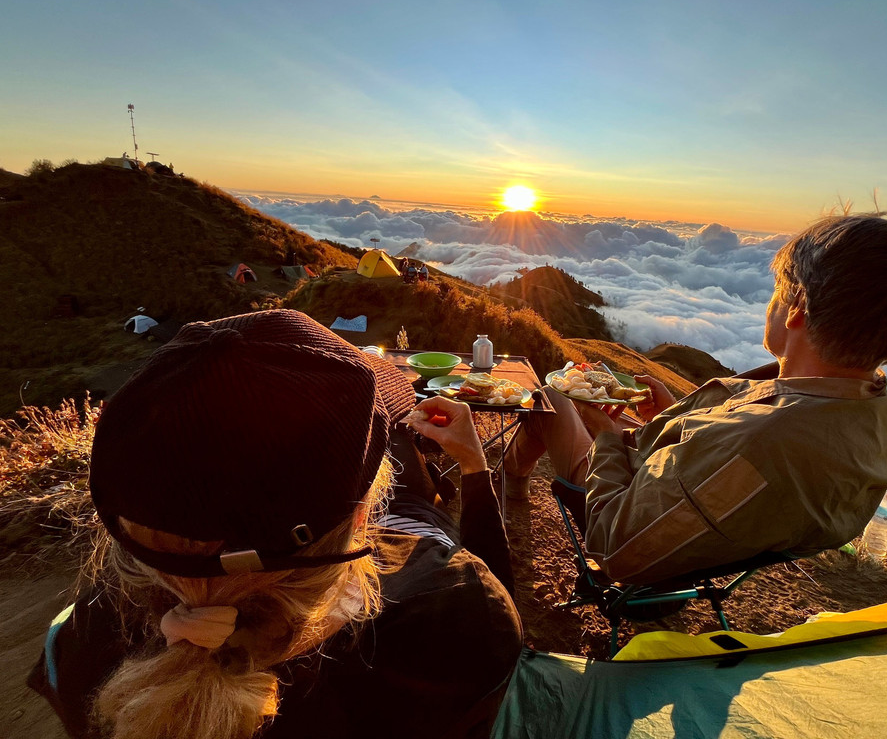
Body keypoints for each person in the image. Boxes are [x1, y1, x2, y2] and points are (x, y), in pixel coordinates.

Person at [28, 309, 521, 739]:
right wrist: (476, 471)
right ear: (364, 514)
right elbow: (500, 624)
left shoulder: (87, 634)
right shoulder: (449, 614)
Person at [504, 213, 887, 585]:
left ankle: (510, 484)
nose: (770, 305)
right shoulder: (878, 422)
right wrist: (668, 419)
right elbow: (720, 463)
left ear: (797, 306)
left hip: (630, 519)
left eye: (777, 292)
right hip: (695, 508)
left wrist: (606, 435)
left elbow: (618, 547)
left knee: (551, 396)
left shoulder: (762, 442)